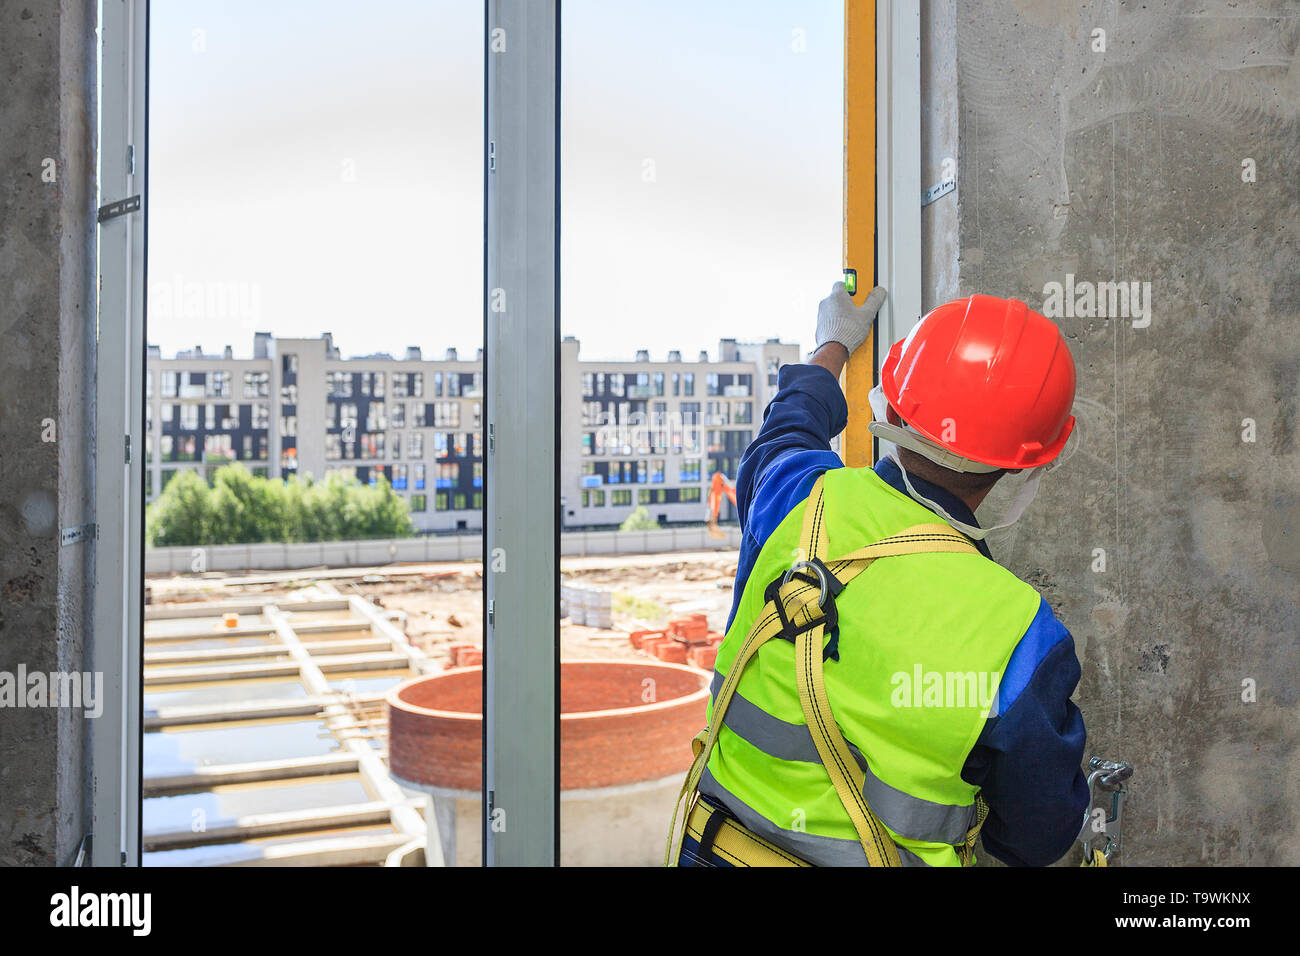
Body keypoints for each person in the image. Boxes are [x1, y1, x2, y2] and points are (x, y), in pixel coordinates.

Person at [672, 283, 1089, 867]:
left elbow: (789, 427)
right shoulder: (1022, 634)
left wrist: (833, 345)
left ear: (890, 407)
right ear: (1031, 463)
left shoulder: (799, 498)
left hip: (715, 849)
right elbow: (1037, 835)